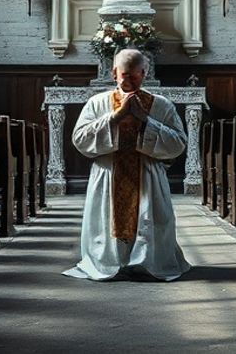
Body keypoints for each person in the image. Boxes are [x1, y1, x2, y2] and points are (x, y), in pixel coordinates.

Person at [63, 48, 192, 281]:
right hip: (109, 173)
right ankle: (111, 261)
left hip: (147, 175)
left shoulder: (161, 105)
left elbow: (179, 143)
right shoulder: (98, 103)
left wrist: (145, 120)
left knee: (148, 218)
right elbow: (80, 139)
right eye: (125, 75)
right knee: (106, 222)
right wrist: (115, 117)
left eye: (135, 75)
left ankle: (146, 261)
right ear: (114, 73)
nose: (130, 80)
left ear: (144, 73)